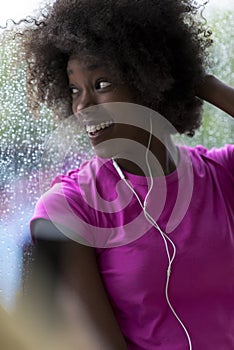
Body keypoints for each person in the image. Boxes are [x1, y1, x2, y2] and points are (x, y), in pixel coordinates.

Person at [19, 0, 234, 349]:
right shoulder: (67, 208)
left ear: (150, 83)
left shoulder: (221, 173)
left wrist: (203, 84)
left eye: (102, 83)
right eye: (74, 89)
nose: (82, 106)